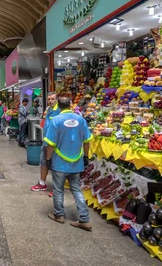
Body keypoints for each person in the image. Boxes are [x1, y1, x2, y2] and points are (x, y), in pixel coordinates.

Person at [44, 97, 93, 231]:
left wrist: (48, 160)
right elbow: (87, 140)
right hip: (76, 162)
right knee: (76, 189)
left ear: (59, 107)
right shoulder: (80, 119)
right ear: (70, 105)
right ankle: (84, 219)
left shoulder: (56, 120)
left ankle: (59, 215)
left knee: (58, 189)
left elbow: (50, 144)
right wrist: (86, 157)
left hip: (59, 163)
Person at [30, 92, 60, 196]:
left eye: (52, 99)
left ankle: (57, 189)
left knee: (55, 164)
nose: (50, 101)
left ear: (57, 99)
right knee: (43, 162)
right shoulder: (48, 109)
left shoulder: (60, 110)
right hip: (46, 140)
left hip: (56, 143)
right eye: (49, 99)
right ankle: (42, 183)